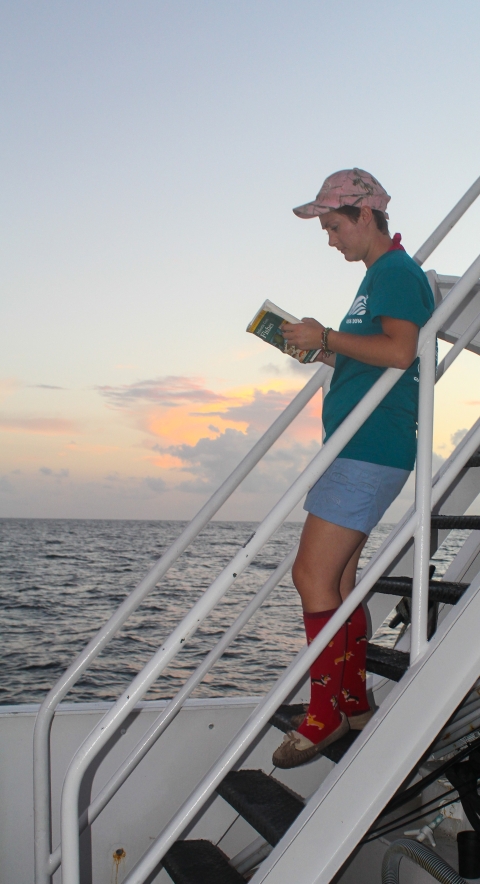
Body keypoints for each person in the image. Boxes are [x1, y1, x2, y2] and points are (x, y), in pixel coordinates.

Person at [272, 168, 435, 769]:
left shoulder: (394, 271)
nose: (330, 238)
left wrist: (331, 338)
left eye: (334, 225)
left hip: (368, 449)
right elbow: (379, 354)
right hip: (361, 448)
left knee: (309, 576)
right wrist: (324, 347)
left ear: (365, 215)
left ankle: (324, 715)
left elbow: (398, 350)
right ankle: (353, 700)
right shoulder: (379, 276)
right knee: (337, 586)